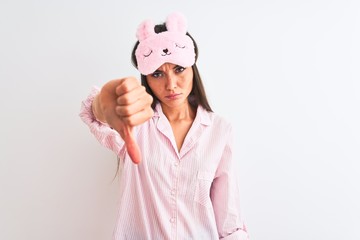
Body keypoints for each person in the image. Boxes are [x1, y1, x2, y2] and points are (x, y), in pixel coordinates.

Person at [80, 12, 249, 239]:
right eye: (157, 73)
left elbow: (229, 222)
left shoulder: (219, 130)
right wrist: (104, 103)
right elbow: (97, 116)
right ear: (146, 78)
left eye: (179, 69)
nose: (171, 84)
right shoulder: (136, 125)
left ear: (192, 67)